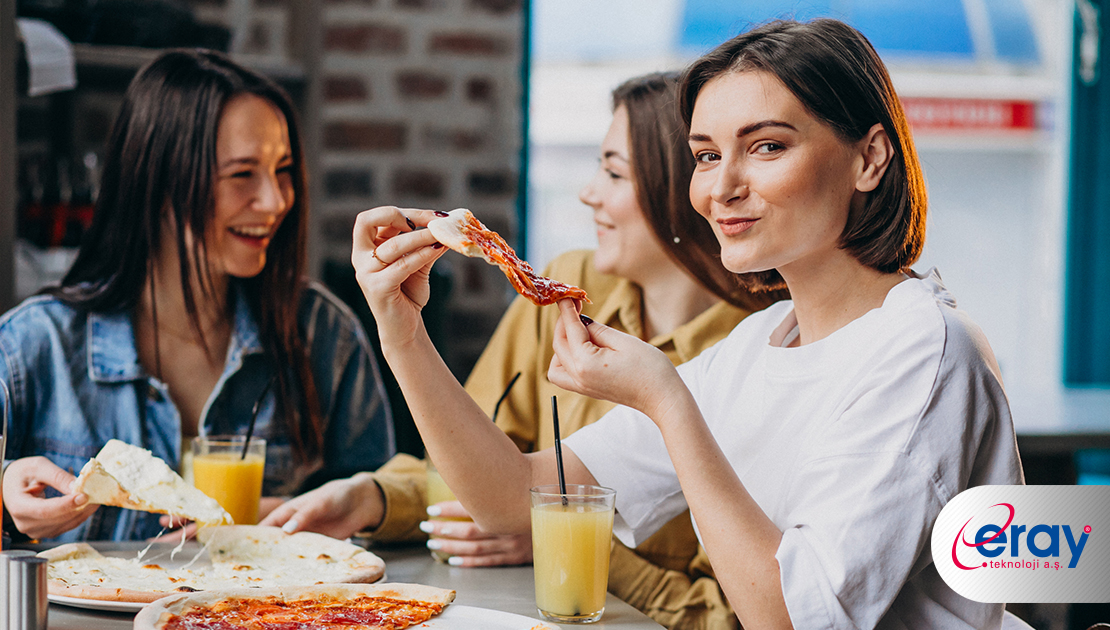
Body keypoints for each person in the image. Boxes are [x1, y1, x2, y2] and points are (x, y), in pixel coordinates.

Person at [351, 18, 1024, 630]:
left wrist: (666, 400)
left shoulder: (923, 351)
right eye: (705, 154)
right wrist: (403, 334)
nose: (720, 186)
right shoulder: (760, 342)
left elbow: (791, 618)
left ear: (869, 159)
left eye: (765, 147)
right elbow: (513, 498)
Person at [262, 72, 782, 628]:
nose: (588, 194)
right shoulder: (568, 290)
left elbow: (736, 611)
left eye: (612, 172)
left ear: (680, 190)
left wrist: (567, 544)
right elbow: (495, 477)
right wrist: (375, 497)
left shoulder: (753, 357)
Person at [0, 49, 395, 543]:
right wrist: (3, 491)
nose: (275, 201)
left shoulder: (322, 334)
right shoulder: (31, 346)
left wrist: (337, 510)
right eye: (242, 174)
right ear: (159, 181)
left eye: (284, 169)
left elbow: (389, 515)